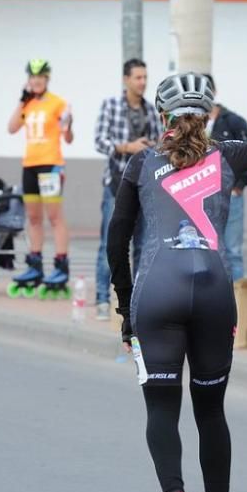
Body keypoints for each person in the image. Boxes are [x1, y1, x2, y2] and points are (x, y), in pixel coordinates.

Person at [107, 73, 247, 492]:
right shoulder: (227, 154)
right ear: (208, 115)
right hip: (214, 294)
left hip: (156, 293)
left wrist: (126, 305)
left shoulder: (141, 162)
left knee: (161, 409)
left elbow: (116, 236)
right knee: (211, 412)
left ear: (162, 118)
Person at [93, 58, 161, 320]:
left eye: (145, 77)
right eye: (138, 78)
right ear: (126, 79)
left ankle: (138, 301)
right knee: (110, 243)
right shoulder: (111, 105)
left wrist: (149, 147)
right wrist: (127, 147)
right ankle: (102, 299)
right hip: (116, 183)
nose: (142, 82)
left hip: (145, 186)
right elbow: (99, 140)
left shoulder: (151, 110)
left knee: (143, 245)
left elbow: (160, 143)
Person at [8, 59, 74, 293]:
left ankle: (61, 264)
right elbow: (12, 128)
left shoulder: (59, 103)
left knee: (54, 217)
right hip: (30, 165)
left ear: (47, 79)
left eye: (40, 77)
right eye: (32, 77)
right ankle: (35, 265)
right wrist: (21, 100)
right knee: (33, 218)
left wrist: (69, 125)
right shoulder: (27, 104)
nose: (36, 81)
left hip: (51, 165)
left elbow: (68, 138)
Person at [205, 74, 247, 281]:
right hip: (201, 196)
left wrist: (239, 185)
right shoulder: (190, 123)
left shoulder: (233, 121)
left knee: (232, 251)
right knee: (206, 251)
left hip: (230, 194)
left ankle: (237, 307)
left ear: (214, 91)